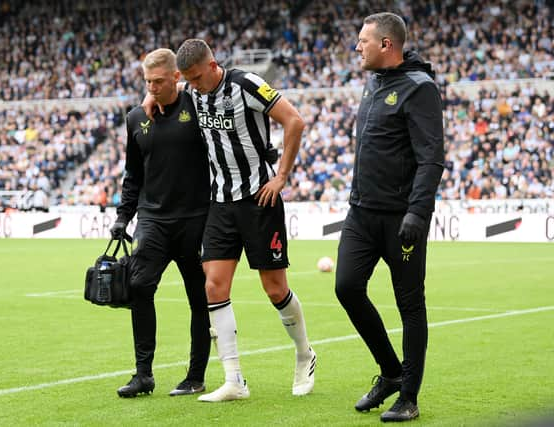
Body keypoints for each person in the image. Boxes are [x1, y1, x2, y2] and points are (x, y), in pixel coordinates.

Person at [145, 38, 316, 402]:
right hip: (220, 203)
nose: (192, 85)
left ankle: (304, 354)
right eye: (186, 80)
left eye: (196, 77)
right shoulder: (192, 92)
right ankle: (234, 379)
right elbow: (166, 92)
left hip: (259, 197)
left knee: (274, 289)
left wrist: (281, 176)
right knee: (214, 287)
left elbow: (294, 121)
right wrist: (150, 97)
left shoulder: (247, 84)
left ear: (212, 65)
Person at [334, 13, 444, 422]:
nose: (357, 46)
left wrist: (418, 211)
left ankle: (409, 396)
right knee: (346, 287)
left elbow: (432, 157)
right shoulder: (373, 83)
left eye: (363, 40)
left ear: (386, 45)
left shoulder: (420, 88)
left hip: (402, 220)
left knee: (410, 305)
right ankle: (392, 373)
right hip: (360, 213)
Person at [110, 48, 211, 399]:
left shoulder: (197, 107)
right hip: (153, 218)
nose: (152, 87)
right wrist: (123, 217)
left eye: (158, 81)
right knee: (139, 286)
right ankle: (143, 375)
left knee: (199, 298)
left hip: (196, 218)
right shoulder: (136, 117)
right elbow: (132, 173)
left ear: (176, 78)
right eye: (147, 82)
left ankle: (196, 375)